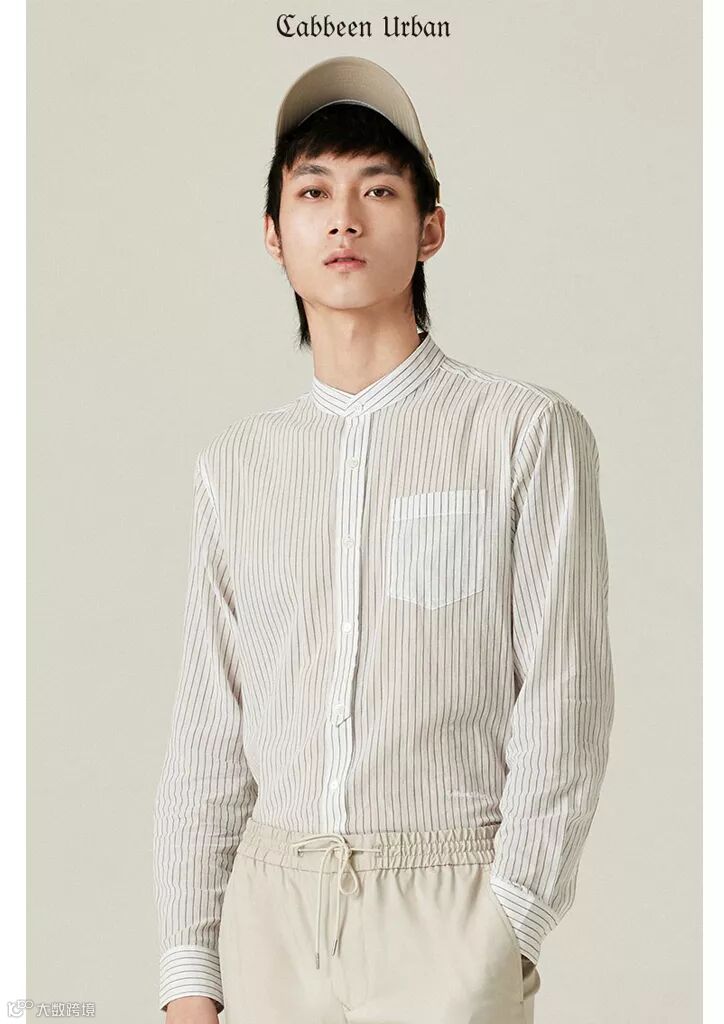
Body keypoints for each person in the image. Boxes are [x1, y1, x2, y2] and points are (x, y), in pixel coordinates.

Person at [152, 55, 615, 1024]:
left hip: (448, 907)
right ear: (273, 235)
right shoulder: (237, 466)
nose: (344, 219)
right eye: (313, 191)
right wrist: (189, 967)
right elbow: (207, 731)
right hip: (267, 917)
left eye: (378, 189)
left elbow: (565, 697)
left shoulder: (523, 433)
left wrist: (509, 926)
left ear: (431, 227)